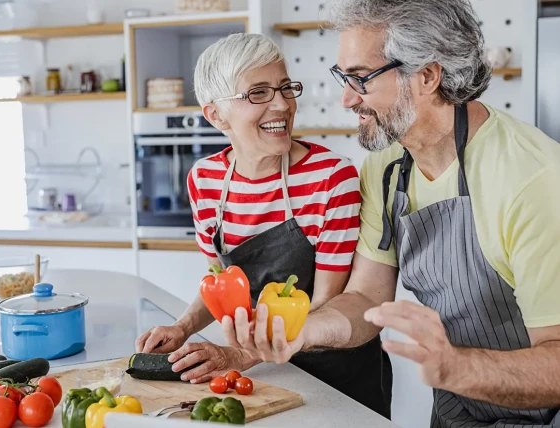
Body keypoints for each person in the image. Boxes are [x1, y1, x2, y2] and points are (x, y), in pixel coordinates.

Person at [222, 1, 560, 427]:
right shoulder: (386, 169)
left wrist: (457, 368)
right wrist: (300, 332)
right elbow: (366, 298)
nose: (347, 99)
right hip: (460, 412)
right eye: (344, 78)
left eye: (361, 78)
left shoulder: (532, 179)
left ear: (427, 76)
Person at [136, 33, 393, 418]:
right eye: (258, 93)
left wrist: (239, 354)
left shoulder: (331, 179)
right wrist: (183, 327)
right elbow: (222, 284)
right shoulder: (204, 181)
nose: (282, 104)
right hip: (259, 377)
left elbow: (325, 303)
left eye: (285, 88)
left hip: (335, 374)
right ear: (216, 115)